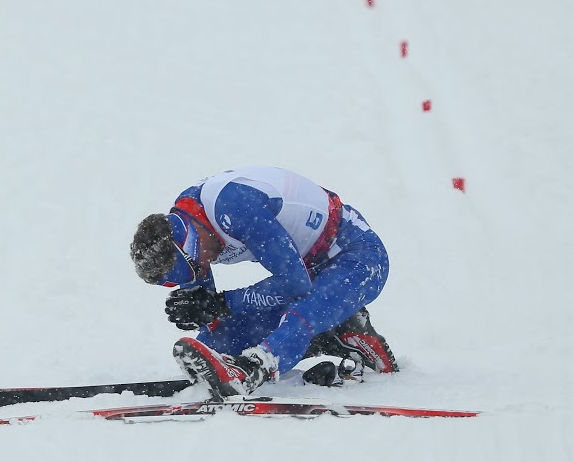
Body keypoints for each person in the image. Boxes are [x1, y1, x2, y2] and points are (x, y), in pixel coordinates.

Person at [129, 166, 399, 399]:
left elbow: (296, 285)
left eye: (193, 269)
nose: (198, 274)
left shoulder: (235, 208)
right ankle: (337, 334)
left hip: (359, 256)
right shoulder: (186, 224)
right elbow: (211, 310)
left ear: (190, 244)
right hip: (312, 269)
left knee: (302, 310)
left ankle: (253, 369)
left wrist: (222, 303)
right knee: (218, 344)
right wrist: (203, 313)